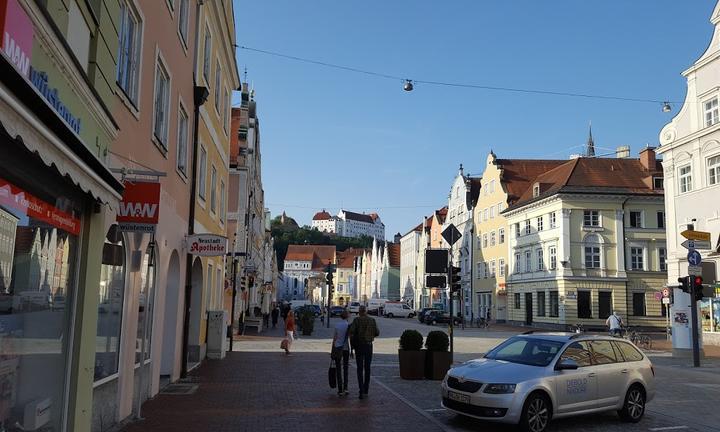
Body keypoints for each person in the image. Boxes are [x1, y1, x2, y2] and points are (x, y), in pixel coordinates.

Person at [348, 305, 379, 399]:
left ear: (359, 311)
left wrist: (352, 347)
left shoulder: (356, 320)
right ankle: (366, 389)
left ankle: (361, 390)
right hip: (368, 345)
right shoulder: (372, 320)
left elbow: (351, 332)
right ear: (366, 311)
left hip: (359, 346)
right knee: (367, 368)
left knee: (360, 369)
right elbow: (377, 333)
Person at [332, 311, 351, 396]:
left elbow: (335, 338)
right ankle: (346, 388)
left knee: (338, 368)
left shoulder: (337, 325)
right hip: (345, 348)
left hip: (337, 348)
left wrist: (332, 349)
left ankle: (340, 389)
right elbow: (350, 338)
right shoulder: (348, 326)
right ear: (347, 316)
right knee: (346, 368)